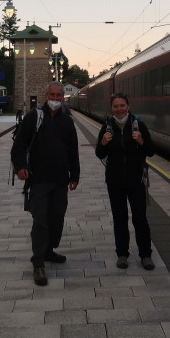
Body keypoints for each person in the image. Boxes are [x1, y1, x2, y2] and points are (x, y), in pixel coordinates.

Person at [11, 82, 80, 286]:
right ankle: (38, 261)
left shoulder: (67, 121)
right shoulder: (34, 117)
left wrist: (74, 175)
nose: (56, 98)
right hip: (39, 179)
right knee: (40, 219)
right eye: (52, 94)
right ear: (45, 94)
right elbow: (19, 146)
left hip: (60, 180)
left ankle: (49, 250)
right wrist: (20, 166)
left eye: (59, 95)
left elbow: (73, 151)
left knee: (57, 217)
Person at [95, 93, 155, 270]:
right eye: (116, 106)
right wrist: (104, 143)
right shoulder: (107, 127)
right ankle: (122, 254)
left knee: (140, 218)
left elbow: (151, 151)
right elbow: (99, 154)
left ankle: (145, 254)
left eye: (122, 105)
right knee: (119, 218)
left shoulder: (138, 126)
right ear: (111, 108)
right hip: (114, 182)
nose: (119, 109)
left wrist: (141, 140)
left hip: (136, 181)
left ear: (128, 106)